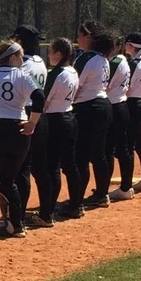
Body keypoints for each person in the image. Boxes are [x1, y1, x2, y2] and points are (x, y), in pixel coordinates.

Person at [0, 41, 45, 238]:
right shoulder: (23, 75)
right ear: (12, 58)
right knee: (8, 180)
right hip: (18, 131)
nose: (22, 60)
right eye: (20, 57)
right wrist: (32, 123)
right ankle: (17, 224)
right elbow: (39, 97)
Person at [33, 37, 83, 225]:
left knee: (52, 165)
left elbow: (44, 100)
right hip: (69, 117)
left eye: (51, 52)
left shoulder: (57, 73)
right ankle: (76, 204)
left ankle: (48, 211)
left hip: (55, 120)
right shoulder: (73, 71)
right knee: (70, 164)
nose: (49, 55)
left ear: (59, 54)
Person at [72, 22, 114, 209]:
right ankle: (102, 194)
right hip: (103, 105)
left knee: (81, 155)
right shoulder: (103, 58)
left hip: (87, 108)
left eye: (80, 35)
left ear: (88, 37)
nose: (77, 38)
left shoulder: (85, 58)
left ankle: (77, 201)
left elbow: (74, 86)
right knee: (98, 154)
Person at [11, 25, 48, 221]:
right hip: (39, 114)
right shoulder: (40, 61)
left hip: (25, 112)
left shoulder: (22, 63)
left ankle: (19, 214)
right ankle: (46, 212)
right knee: (40, 166)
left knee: (21, 169)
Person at [105, 35, 135, 201]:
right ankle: (126, 186)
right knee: (121, 148)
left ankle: (122, 188)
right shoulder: (123, 60)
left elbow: (104, 85)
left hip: (115, 106)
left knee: (110, 149)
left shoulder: (115, 62)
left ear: (117, 47)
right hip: (120, 105)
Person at [124, 32, 141, 192]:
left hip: (132, 105)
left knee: (129, 145)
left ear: (131, 46)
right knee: (140, 144)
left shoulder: (134, 64)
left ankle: (126, 186)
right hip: (140, 103)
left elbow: (126, 88)